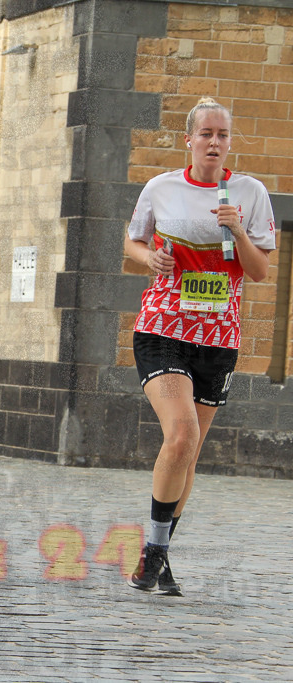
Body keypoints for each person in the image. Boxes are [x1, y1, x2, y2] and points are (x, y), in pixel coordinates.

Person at [124, 97, 274, 595]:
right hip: (163, 327)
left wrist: (235, 228)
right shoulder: (161, 188)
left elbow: (258, 271)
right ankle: (153, 554)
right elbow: (132, 246)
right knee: (182, 434)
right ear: (188, 139)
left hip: (219, 336)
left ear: (230, 142)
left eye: (222, 135)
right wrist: (151, 260)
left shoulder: (250, 193)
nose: (214, 142)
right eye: (205, 133)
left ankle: (158, 554)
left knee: (190, 453)